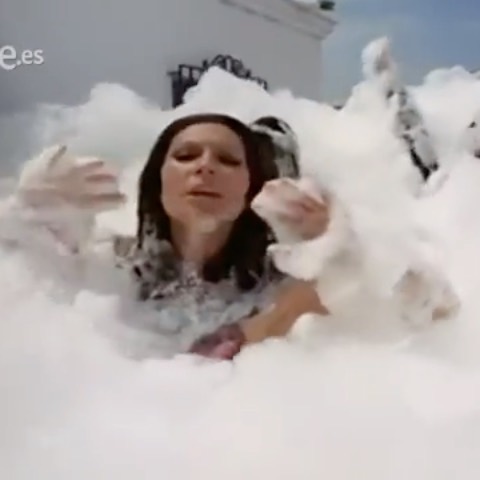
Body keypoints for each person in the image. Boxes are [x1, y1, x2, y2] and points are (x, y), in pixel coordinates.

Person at [0, 113, 458, 360]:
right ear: (156, 181)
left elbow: (439, 314)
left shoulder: (289, 284)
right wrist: (24, 223)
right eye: (186, 155)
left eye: (228, 160)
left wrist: (350, 253)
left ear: (251, 187)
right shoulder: (109, 268)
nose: (205, 166)